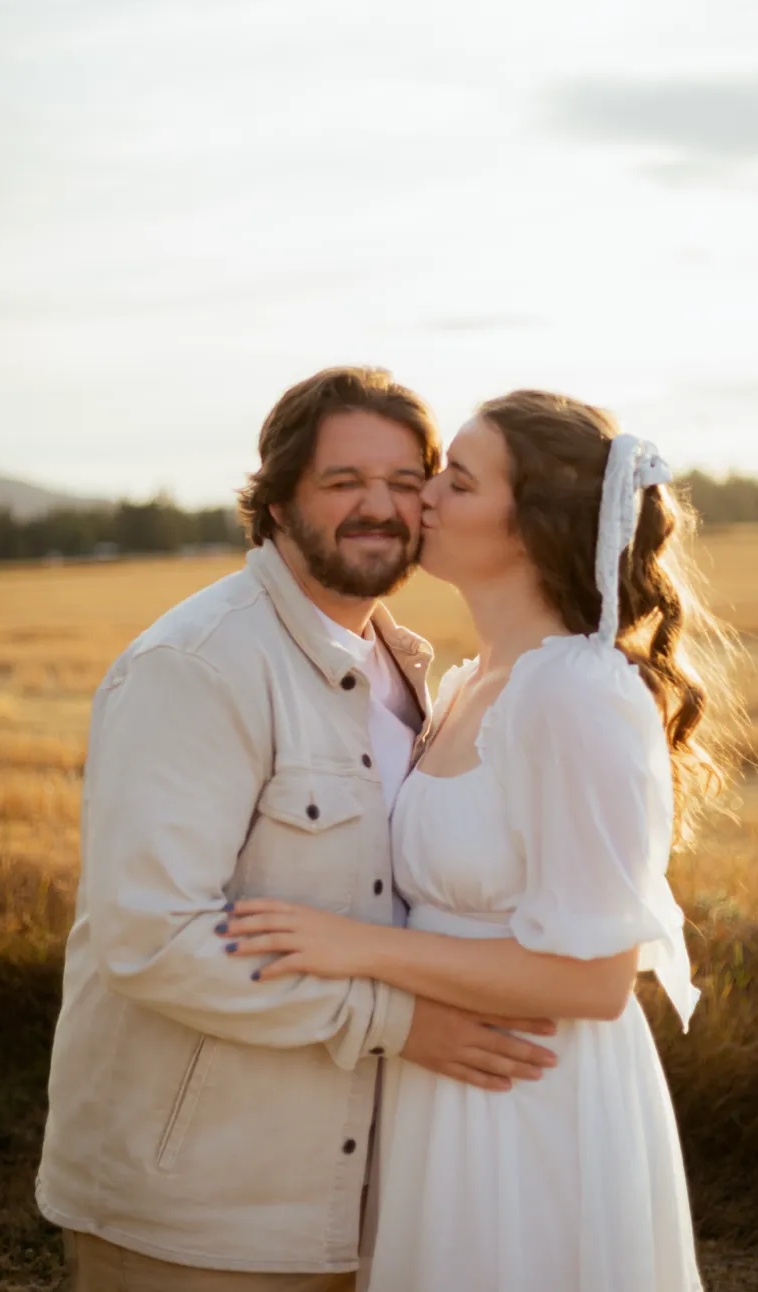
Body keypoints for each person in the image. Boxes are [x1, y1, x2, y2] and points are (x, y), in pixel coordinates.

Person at [36, 368, 559, 1292]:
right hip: (199, 1209)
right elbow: (150, 939)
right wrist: (398, 1022)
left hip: (355, 1200)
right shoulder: (198, 667)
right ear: (277, 500)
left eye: (406, 481)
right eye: (344, 481)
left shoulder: (401, 670)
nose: (381, 507)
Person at [220, 389, 738, 1292]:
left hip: (532, 1098)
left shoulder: (576, 695)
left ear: (531, 523)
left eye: (455, 482)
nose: (421, 500)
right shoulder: (467, 684)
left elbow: (595, 977)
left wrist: (355, 948)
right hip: (445, 1080)